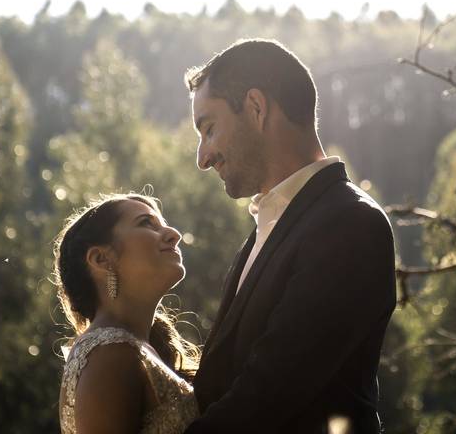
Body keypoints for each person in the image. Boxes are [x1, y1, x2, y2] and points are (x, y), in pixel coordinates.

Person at [183, 38, 397, 434]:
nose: (203, 157)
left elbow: (267, 396)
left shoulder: (350, 225)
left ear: (256, 107)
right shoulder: (269, 228)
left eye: (209, 129)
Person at [54, 193, 200, 434]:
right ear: (101, 259)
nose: (174, 235)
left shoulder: (132, 349)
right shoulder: (109, 355)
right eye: (146, 223)